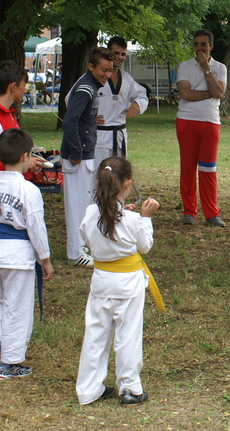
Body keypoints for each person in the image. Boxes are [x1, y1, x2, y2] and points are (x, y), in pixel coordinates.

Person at [76, 157, 160, 406]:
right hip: (128, 283)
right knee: (128, 334)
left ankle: (88, 388)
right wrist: (145, 218)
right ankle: (130, 388)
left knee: (96, 334)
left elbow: (87, 235)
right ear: (127, 183)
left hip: (102, 281)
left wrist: (120, 213)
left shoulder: (91, 213)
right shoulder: (132, 220)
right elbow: (145, 246)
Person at [0, 60, 47, 333]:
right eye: (24, 85)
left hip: (9, 185)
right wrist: (19, 164)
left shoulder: (9, 115)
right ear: (13, 86)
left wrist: (29, 162)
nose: (26, 89)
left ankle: (4, 313)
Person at [0, 128, 53, 380]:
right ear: (25, 157)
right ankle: (9, 363)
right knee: (18, 308)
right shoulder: (28, 190)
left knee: (3, 301)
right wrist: (45, 259)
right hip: (18, 256)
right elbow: (36, 227)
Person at [61, 48, 115, 266]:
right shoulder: (85, 88)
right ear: (91, 67)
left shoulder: (92, 87)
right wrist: (76, 150)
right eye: (103, 70)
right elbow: (69, 120)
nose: (107, 74)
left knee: (84, 202)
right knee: (77, 205)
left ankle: (81, 246)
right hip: (78, 156)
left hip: (84, 153)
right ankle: (75, 253)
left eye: (110, 70)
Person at [175, 30, 227, 227]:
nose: (199, 48)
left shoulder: (219, 68)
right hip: (186, 120)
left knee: (208, 168)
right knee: (188, 167)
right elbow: (186, 94)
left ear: (211, 46)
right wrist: (211, 92)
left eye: (203, 44)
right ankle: (189, 211)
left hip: (210, 122)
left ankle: (212, 213)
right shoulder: (185, 66)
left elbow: (219, 93)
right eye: (196, 44)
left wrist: (206, 69)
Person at [94, 37, 149, 160]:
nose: (120, 57)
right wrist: (88, 117)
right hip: (99, 134)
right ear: (109, 53)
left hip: (119, 134)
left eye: (123, 54)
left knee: (119, 171)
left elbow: (142, 95)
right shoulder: (95, 77)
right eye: (116, 53)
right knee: (99, 170)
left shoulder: (126, 78)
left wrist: (137, 104)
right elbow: (71, 101)